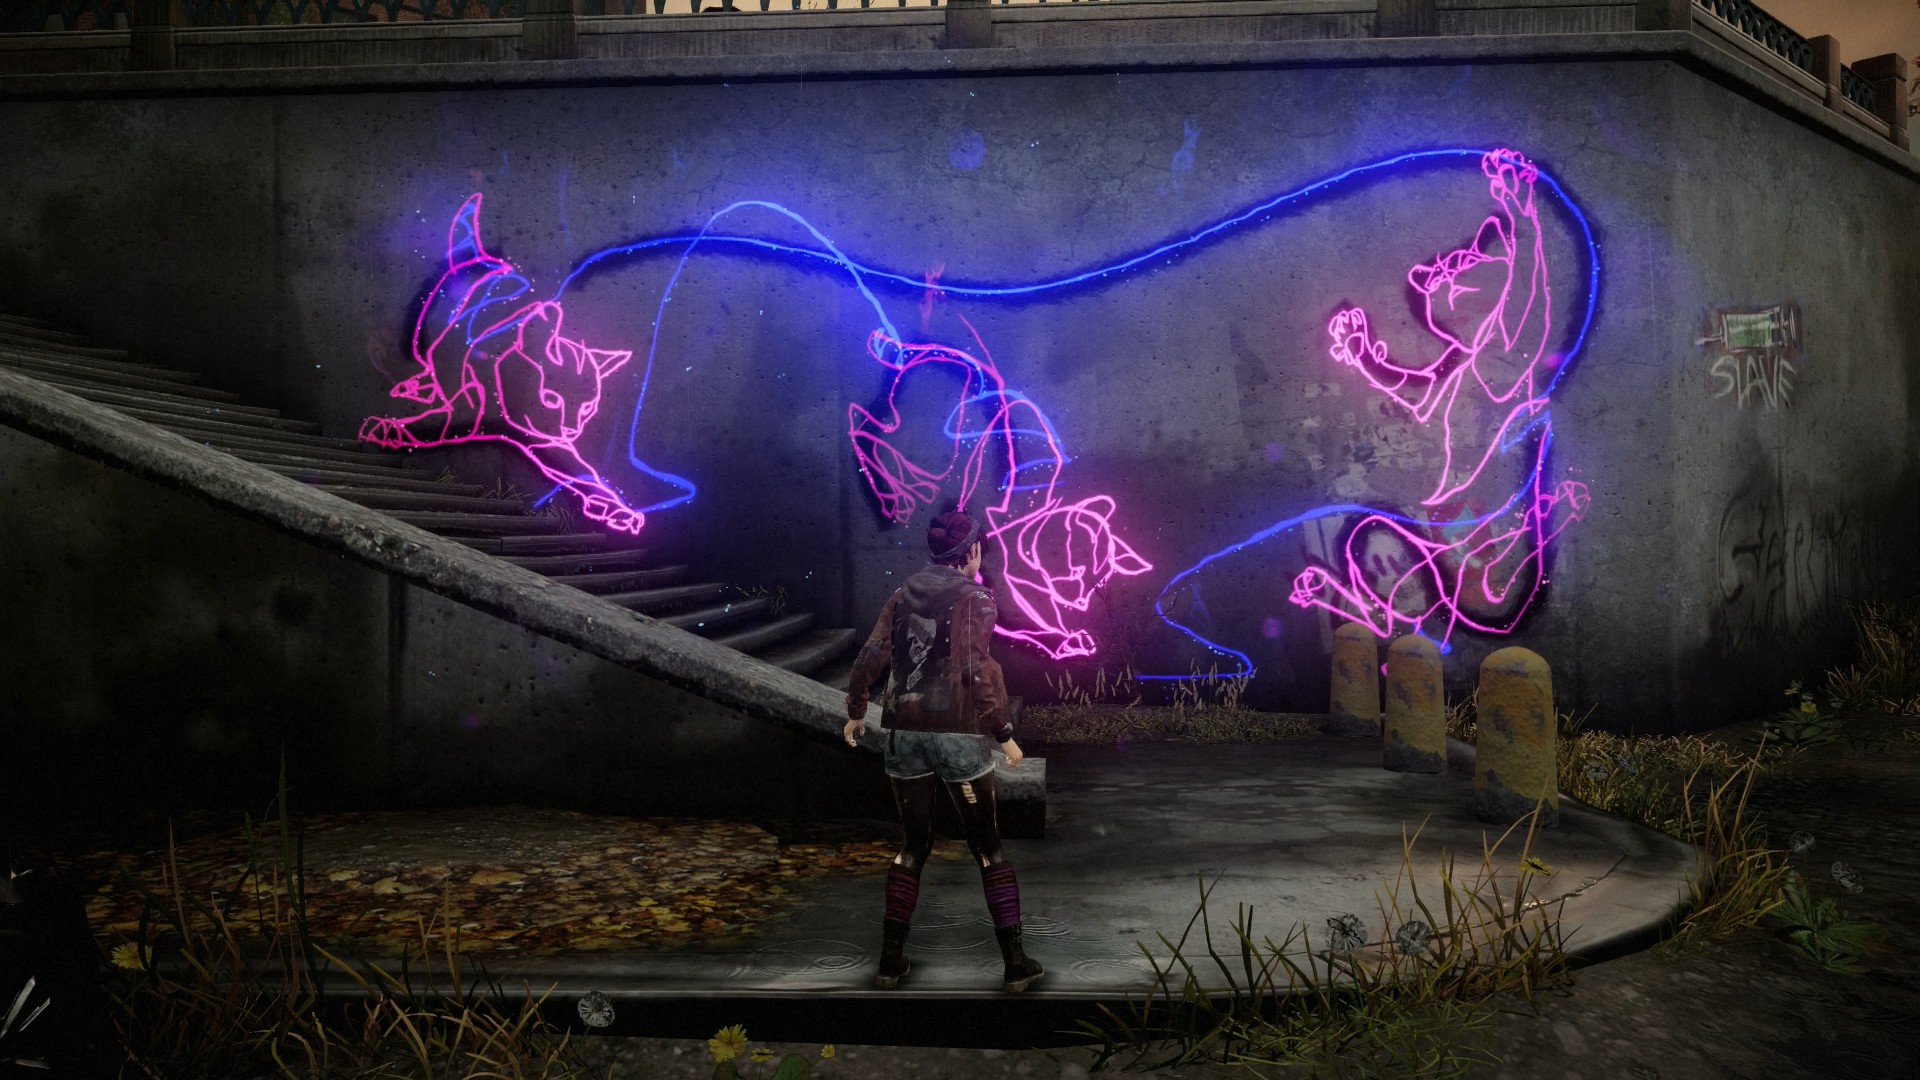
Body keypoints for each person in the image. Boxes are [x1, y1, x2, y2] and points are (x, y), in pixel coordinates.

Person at [841, 509, 1045, 993]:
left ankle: (890, 963)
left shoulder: (902, 593)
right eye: (980, 551)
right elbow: (974, 668)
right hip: (959, 736)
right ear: (970, 551)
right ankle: (1016, 965)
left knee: (912, 846)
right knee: (988, 849)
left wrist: (856, 709)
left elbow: (872, 654)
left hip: (905, 732)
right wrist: (1003, 731)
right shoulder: (977, 599)